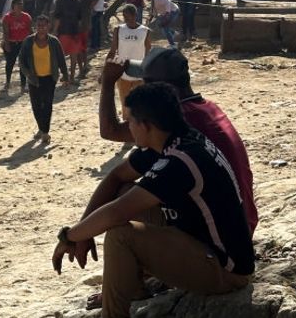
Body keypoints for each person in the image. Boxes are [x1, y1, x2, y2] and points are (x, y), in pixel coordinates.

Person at [51, 82, 254, 318]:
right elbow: (115, 179)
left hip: (224, 268)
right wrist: (84, 231)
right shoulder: (172, 142)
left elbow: (117, 214)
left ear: (146, 125)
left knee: (121, 234)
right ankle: (131, 285)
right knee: (123, 194)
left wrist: (69, 236)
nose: (128, 128)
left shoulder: (181, 161)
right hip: (196, 241)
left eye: (129, 121)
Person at [98, 46, 258, 235]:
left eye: (147, 83)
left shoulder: (179, 120)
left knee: (121, 213)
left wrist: (108, 83)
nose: (142, 88)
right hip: (241, 220)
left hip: (224, 233)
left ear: (166, 90)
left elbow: (110, 130)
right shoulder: (204, 108)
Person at [17, 15, 70, 143]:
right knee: (36, 106)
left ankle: (45, 132)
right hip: (34, 79)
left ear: (48, 27)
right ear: (35, 26)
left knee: (47, 105)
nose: (41, 28)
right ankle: (41, 128)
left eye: (44, 26)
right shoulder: (28, 41)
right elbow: (21, 61)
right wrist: (28, 74)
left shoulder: (54, 41)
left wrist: (65, 76)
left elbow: (61, 59)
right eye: (39, 26)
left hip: (49, 78)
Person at [106, 4, 152, 112]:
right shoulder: (118, 30)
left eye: (128, 16)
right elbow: (113, 51)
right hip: (123, 73)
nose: (125, 19)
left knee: (139, 106)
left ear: (135, 15)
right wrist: (106, 69)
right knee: (125, 106)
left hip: (139, 73)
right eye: (124, 16)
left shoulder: (145, 31)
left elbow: (148, 52)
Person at [53, 0, 87, 79]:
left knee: (61, 55)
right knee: (74, 55)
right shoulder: (77, 1)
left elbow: (57, 18)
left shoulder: (60, 1)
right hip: (75, 31)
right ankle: (72, 76)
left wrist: (55, 30)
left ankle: (65, 74)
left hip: (63, 31)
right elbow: (80, 19)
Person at [1, 0, 32, 93]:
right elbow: (6, 32)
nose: (20, 6)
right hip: (11, 42)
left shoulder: (27, 17)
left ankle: (23, 85)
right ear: (12, 6)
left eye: (21, 4)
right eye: (17, 4)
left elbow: (30, 31)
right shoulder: (7, 18)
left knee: (23, 64)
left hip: (23, 43)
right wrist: (6, 44)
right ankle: (7, 82)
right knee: (10, 63)